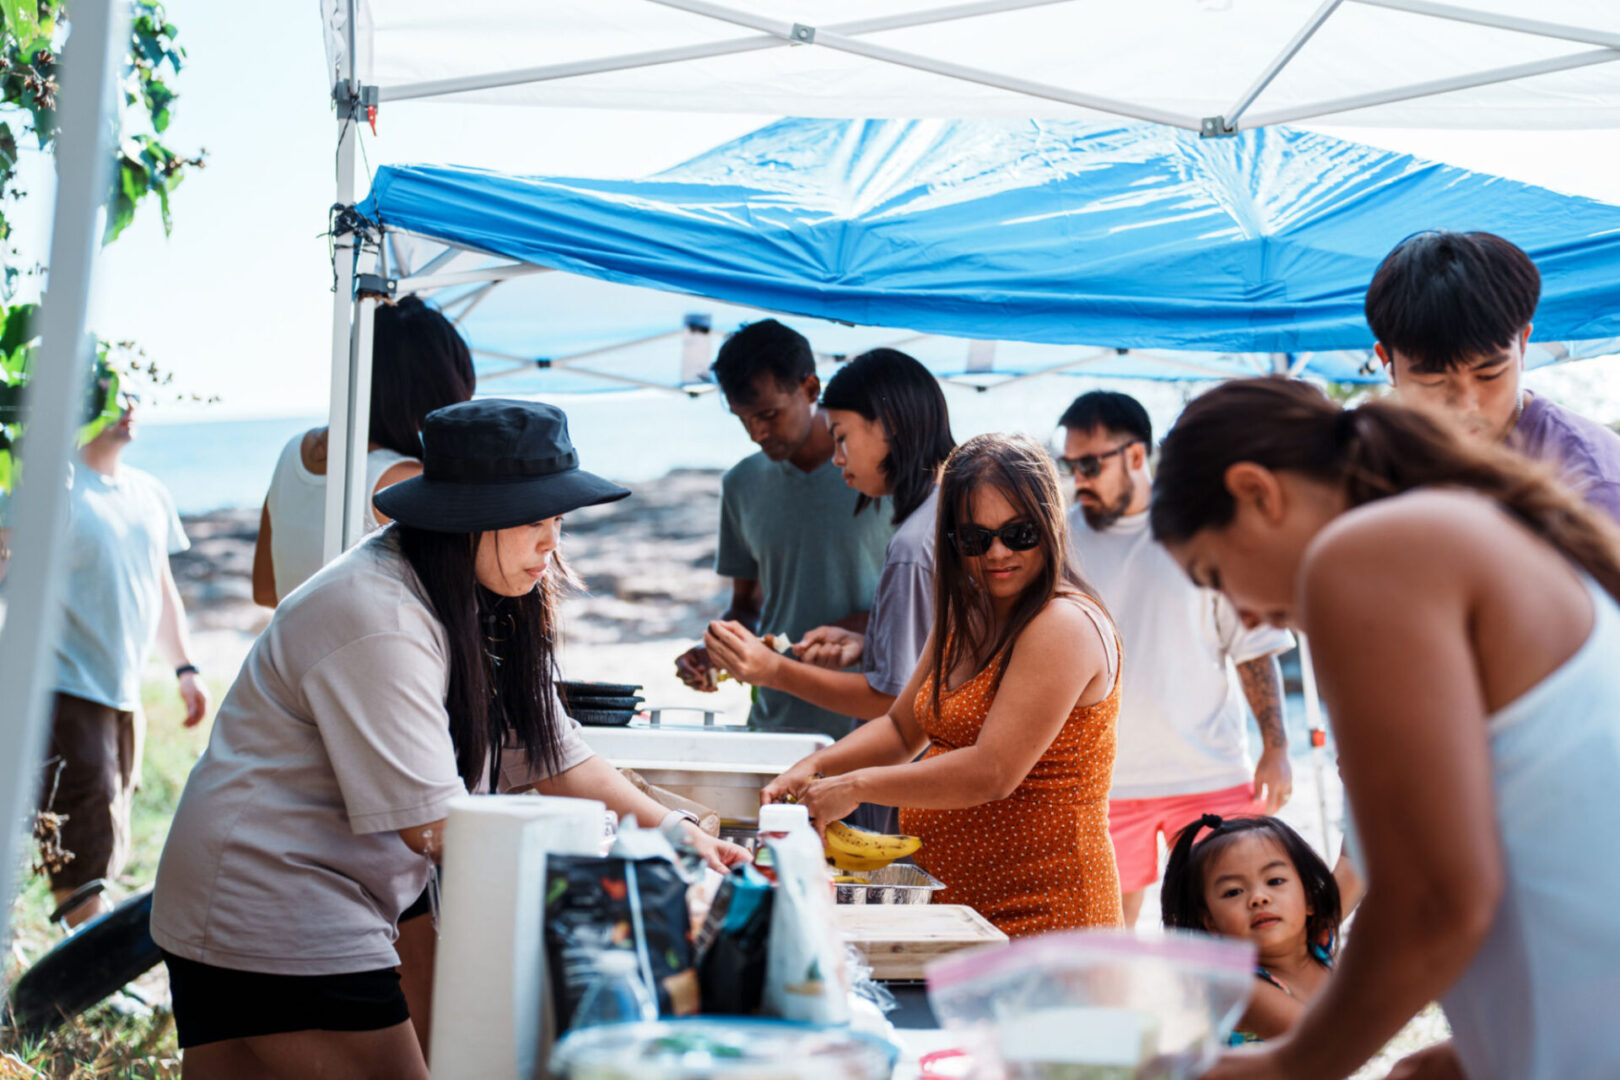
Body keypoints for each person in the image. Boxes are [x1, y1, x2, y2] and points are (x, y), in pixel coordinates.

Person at [151, 400, 749, 1079]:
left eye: (558, 521)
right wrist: (608, 881)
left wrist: (676, 831)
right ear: (467, 516)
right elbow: (433, 826)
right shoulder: (378, 615)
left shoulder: (481, 593)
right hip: (272, 891)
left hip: (335, 883)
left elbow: (554, 752)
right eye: (533, 521)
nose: (552, 543)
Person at [1151, 377, 1620, 1080]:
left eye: (1214, 574)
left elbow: (1434, 899)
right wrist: (1478, 1047)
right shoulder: (1462, 532)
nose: (1242, 615)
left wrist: (1289, 1066)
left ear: (1256, 492)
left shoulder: (1369, 553)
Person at [763, 434, 1125, 937]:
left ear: (1050, 525)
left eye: (1018, 534)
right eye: (975, 539)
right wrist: (814, 766)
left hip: (1049, 913)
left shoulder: (1062, 623)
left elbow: (993, 771)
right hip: (960, 908)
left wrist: (856, 786)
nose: (997, 553)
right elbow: (900, 730)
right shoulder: (966, 611)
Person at [1058, 391, 1294, 927]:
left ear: (1136, 456)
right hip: (1101, 782)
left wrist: (1278, 748)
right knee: (1108, 934)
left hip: (1208, 772)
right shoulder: (1060, 541)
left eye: (1090, 465)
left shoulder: (1201, 530)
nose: (1079, 480)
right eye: (1071, 466)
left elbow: (1254, 649)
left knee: (1223, 928)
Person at [703, 347, 953, 729]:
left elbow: (892, 702)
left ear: (890, 424)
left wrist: (774, 671)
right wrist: (869, 644)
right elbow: (946, 652)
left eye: (842, 438)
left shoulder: (912, 545)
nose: (837, 459)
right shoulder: (953, 511)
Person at [674, 320, 892, 740]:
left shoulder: (884, 473)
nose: (756, 433)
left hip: (876, 727)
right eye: (743, 419)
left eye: (768, 414)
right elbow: (748, 607)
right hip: (775, 724)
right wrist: (715, 649)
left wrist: (861, 626)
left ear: (810, 388)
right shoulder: (740, 483)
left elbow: (934, 607)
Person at [43, 387, 207, 928]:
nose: (129, 406)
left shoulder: (149, 491)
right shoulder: (56, 488)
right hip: (65, 687)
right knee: (83, 829)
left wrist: (185, 668)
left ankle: (82, 946)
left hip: (124, 688)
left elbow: (160, 588)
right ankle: (84, 958)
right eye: (115, 394)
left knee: (112, 820)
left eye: (135, 395)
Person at [1369, 230, 1620, 522]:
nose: (1466, 404)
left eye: (1488, 375)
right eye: (1433, 380)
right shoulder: (1369, 468)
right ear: (1387, 362)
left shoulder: (1593, 486)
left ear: (1523, 346)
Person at [252, 295, 475, 605]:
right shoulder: (405, 481)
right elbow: (457, 601)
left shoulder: (293, 452)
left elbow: (265, 591)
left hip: (293, 636)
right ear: (437, 388)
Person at [1160, 815, 1340, 1045]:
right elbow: (1325, 1043)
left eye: (1275, 881)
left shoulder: (1316, 939)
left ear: (1310, 899)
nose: (1258, 898)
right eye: (1233, 892)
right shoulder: (1245, 989)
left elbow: (1354, 863)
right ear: (1211, 922)